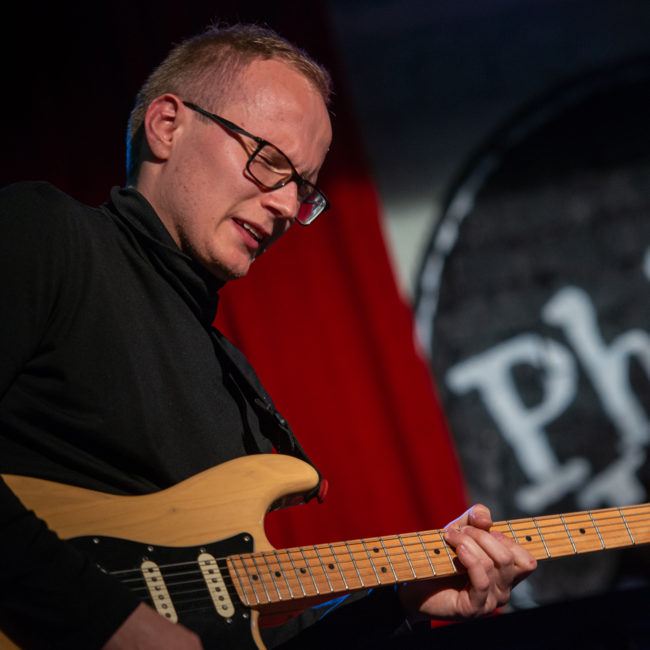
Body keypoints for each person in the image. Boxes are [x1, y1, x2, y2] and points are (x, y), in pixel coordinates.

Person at [0, 24, 536, 649]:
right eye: (269, 161)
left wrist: (401, 604)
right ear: (167, 126)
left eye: (302, 189)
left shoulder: (233, 383)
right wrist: (109, 622)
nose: (285, 207)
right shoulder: (44, 234)